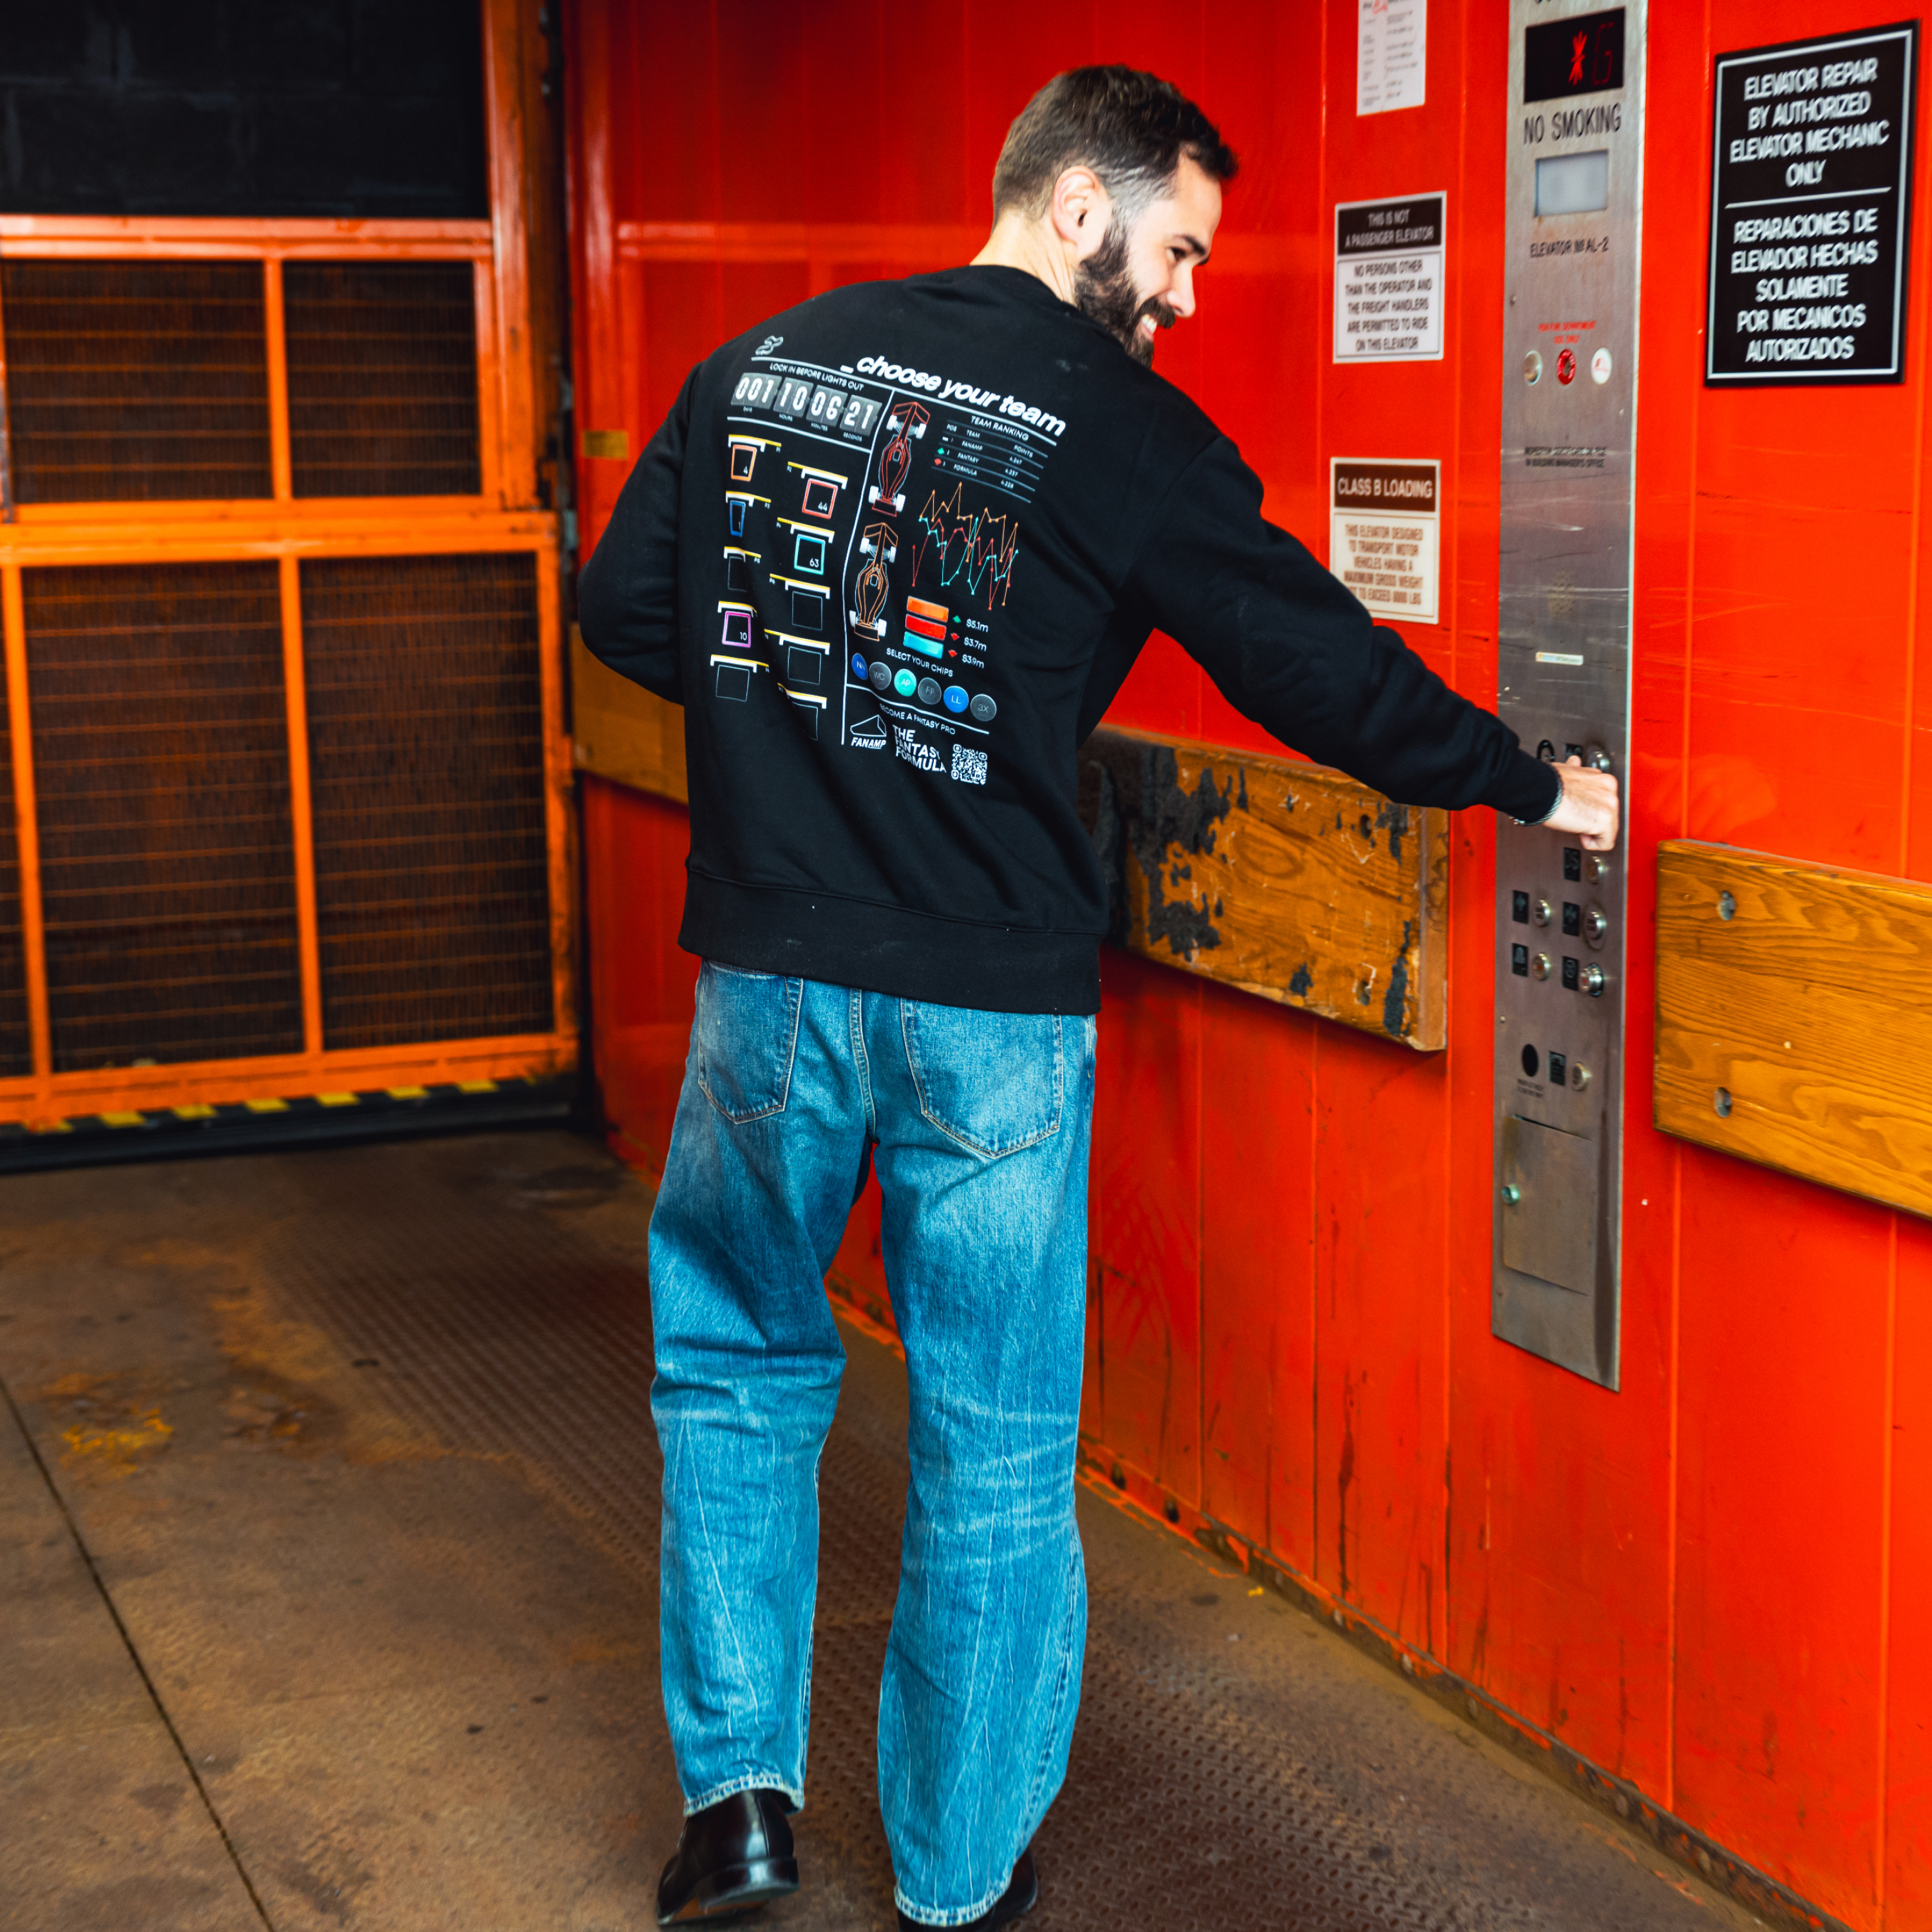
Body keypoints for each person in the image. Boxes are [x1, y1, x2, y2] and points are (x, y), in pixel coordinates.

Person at [577, 62, 1620, 1932]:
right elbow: (1314, 666)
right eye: (1184, 249)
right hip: (988, 1010)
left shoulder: (762, 364)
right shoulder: (1128, 434)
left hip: (767, 986)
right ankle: (958, 1874)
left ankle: (735, 1810)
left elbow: (625, 614)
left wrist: (797, 737)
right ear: (1080, 205)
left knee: (733, 1370)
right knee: (990, 1435)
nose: (1190, 296)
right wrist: (1533, 783)